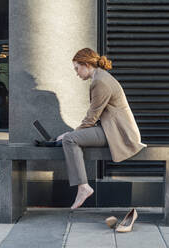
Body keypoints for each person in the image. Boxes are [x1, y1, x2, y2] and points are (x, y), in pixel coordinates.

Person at [56, 48, 147, 209]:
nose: (77, 73)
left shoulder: (100, 82)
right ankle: (82, 186)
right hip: (111, 129)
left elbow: (92, 117)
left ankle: (83, 187)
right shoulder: (100, 78)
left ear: (85, 64)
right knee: (70, 138)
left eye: (77, 68)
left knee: (70, 139)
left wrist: (71, 133)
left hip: (119, 134)